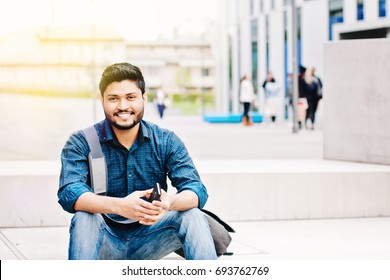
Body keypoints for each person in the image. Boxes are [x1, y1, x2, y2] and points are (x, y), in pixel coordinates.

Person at [58, 62, 216, 260]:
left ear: (144, 98)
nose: (123, 106)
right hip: (103, 240)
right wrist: (119, 206)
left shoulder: (165, 140)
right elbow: (69, 192)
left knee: (193, 215)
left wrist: (169, 202)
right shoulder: (82, 141)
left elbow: (196, 189)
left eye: (131, 97)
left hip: (153, 237)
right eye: (113, 99)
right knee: (84, 218)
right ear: (102, 101)